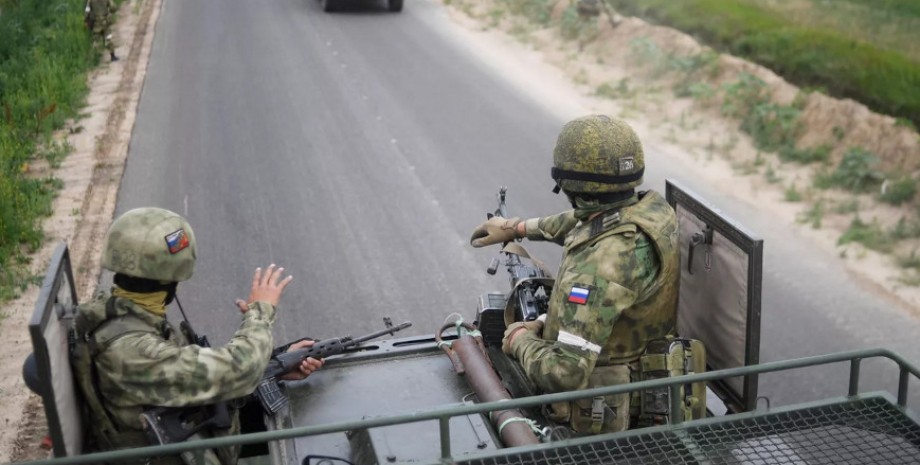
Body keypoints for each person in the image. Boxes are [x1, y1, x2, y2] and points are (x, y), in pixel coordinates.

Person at [470, 115, 679, 434]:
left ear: (567, 183)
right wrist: (519, 228)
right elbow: (584, 219)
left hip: (599, 412)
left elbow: (564, 373)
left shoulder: (597, 265)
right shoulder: (653, 211)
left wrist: (520, 338)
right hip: (645, 363)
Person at [72, 207, 323, 464]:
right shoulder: (131, 350)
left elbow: (197, 376)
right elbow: (240, 369)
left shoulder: (119, 315)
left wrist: (276, 365)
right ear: (172, 279)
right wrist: (261, 312)